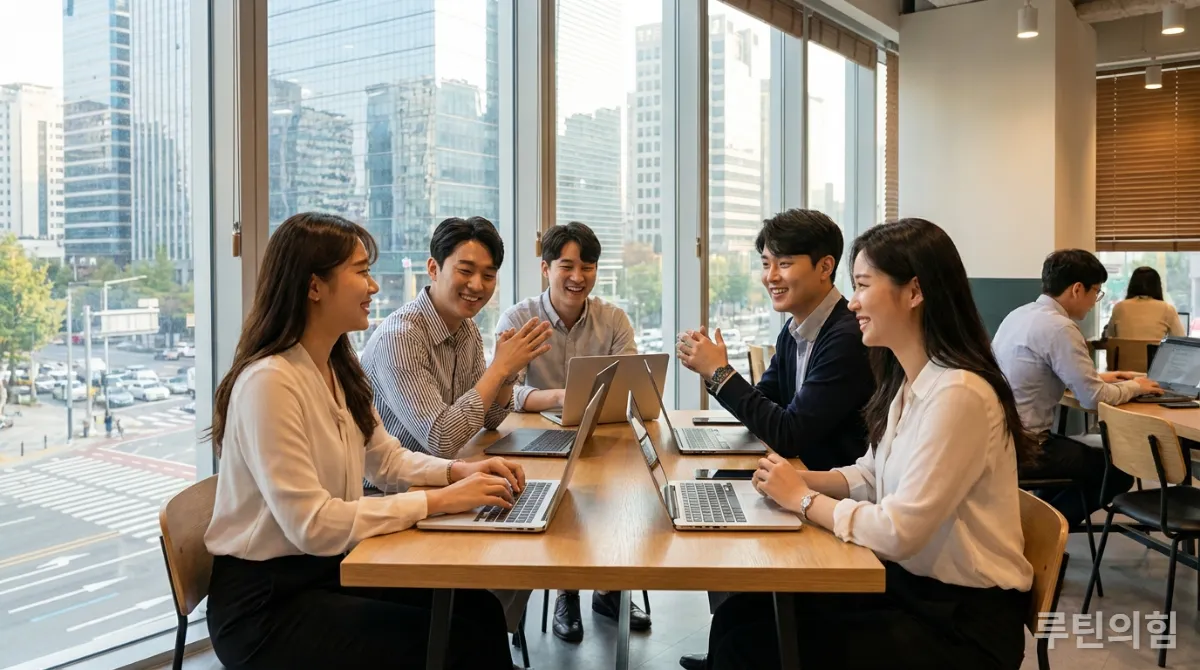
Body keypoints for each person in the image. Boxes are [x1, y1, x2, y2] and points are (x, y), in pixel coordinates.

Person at [705, 218, 1035, 670]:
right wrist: (798, 480)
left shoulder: (959, 393)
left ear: (914, 292)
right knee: (739, 616)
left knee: (750, 643)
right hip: (911, 589)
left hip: (959, 624)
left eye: (862, 285)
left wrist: (802, 499)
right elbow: (870, 474)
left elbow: (898, 532)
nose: (854, 301)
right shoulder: (912, 379)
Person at [204, 212, 525, 670]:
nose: (374, 287)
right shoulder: (269, 382)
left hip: (327, 569)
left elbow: (386, 460)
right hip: (266, 606)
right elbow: (311, 524)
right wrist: (440, 501)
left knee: (479, 611)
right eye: (362, 272)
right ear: (315, 286)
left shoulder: (336, 366)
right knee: (455, 643)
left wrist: (459, 471)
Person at [495, 221, 647, 642]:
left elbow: (632, 383)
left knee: (626, 490)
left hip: (602, 436)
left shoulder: (613, 319)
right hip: (535, 441)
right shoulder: (519, 318)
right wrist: (561, 397)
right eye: (567, 266)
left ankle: (611, 587)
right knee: (563, 494)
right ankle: (567, 590)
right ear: (546, 268)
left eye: (588, 266)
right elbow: (505, 392)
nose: (578, 277)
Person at [676, 209, 873, 471]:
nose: (771, 277)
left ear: (825, 266)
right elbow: (763, 406)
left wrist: (719, 372)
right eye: (766, 264)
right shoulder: (793, 331)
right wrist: (712, 371)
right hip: (796, 479)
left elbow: (789, 435)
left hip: (830, 495)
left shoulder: (847, 337)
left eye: (784, 264)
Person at [993, 249, 1161, 527]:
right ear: (1077, 289)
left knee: (1079, 460)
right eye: (1096, 292)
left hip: (1002, 437)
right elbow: (1093, 399)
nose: (1095, 302)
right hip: (1028, 446)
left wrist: (1102, 377)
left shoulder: (1019, 315)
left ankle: (1035, 522)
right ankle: (1041, 533)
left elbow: (1045, 371)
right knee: (1117, 471)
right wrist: (1136, 386)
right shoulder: (1060, 328)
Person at [361, 216, 552, 458]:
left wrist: (507, 372)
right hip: (389, 491)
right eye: (465, 271)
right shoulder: (400, 338)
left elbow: (491, 418)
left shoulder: (467, 330)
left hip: (441, 475)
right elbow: (441, 439)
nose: (477, 285)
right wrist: (499, 368)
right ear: (433, 268)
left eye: (488, 275)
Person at [1103, 266, 1185, 340]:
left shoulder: (1120, 307)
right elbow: (1181, 341)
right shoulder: (1167, 309)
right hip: (1155, 357)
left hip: (1124, 357)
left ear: (1131, 285)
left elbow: (1110, 338)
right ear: (1157, 286)